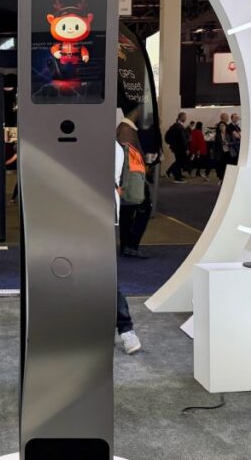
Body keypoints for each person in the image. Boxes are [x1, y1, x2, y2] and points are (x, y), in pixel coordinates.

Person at [114, 140, 142, 355]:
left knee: (105, 276)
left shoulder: (112, 146)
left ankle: (126, 329)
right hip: (66, 216)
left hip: (101, 215)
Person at [117, 107, 152, 260]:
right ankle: (131, 246)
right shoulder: (126, 130)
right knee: (142, 209)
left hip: (128, 180)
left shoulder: (124, 129)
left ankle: (127, 247)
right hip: (132, 180)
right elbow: (129, 160)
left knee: (127, 212)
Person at [163, 112, 189, 183]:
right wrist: (186, 148)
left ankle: (178, 175)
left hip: (176, 147)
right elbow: (183, 139)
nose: (186, 118)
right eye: (184, 116)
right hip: (180, 147)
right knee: (180, 161)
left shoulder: (176, 125)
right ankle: (171, 173)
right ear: (181, 117)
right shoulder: (179, 126)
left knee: (179, 160)